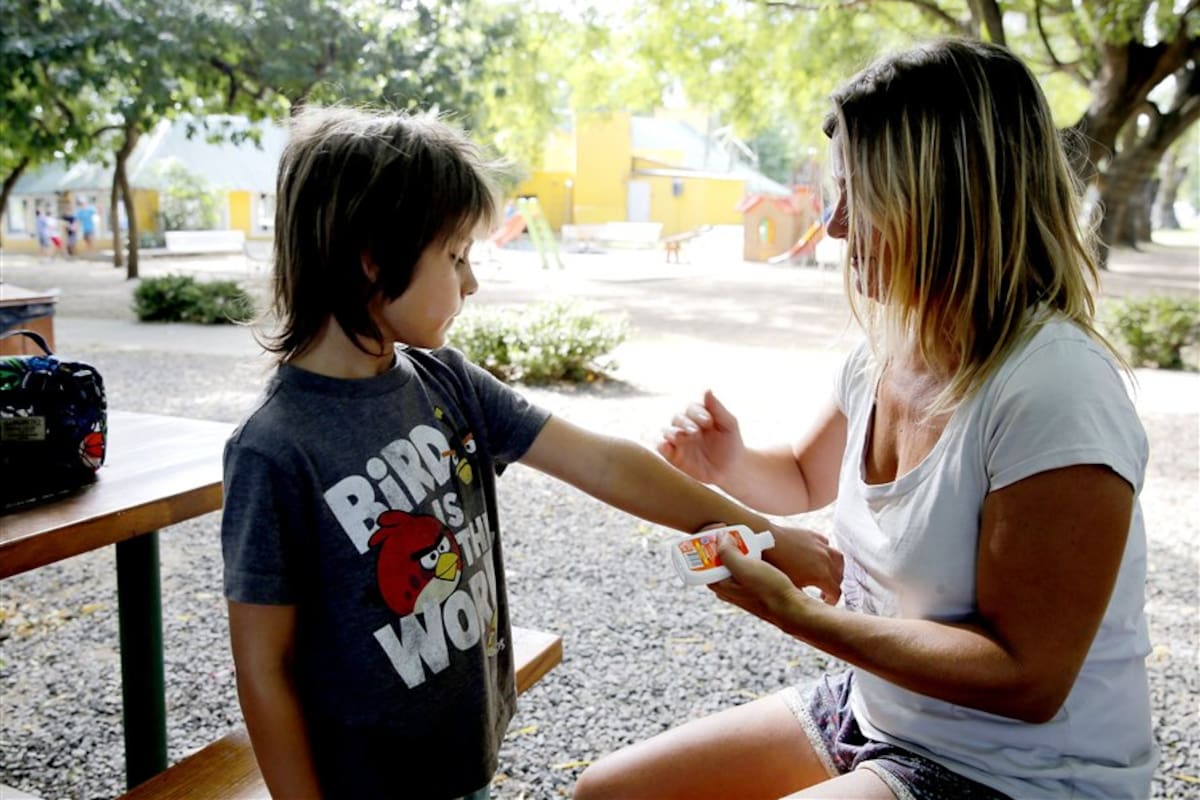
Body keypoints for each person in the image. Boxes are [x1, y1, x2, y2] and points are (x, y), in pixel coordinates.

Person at [574, 38, 1155, 800]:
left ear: (949, 200)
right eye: (837, 193)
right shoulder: (888, 348)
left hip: (1019, 775)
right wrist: (732, 461)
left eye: (863, 195)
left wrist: (797, 617)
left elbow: (1027, 677)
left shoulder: (1055, 389)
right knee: (604, 793)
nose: (837, 228)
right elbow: (804, 475)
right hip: (878, 712)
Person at [219, 106, 843, 800]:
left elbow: (605, 463)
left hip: (464, 761)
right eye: (455, 257)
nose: (472, 283)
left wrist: (769, 535)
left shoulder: (446, 381)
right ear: (372, 258)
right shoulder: (274, 449)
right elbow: (262, 666)